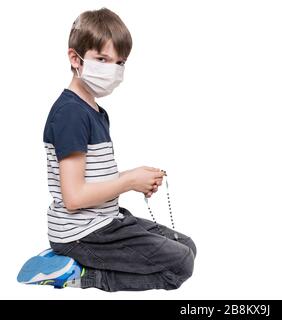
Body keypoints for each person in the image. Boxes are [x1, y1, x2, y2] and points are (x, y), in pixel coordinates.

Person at [24, 7, 196, 292]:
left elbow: (92, 179)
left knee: (186, 246)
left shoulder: (94, 111)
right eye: (102, 59)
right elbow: (74, 197)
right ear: (74, 58)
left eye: (119, 62)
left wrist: (136, 177)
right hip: (81, 233)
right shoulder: (70, 114)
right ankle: (78, 274)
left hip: (105, 219)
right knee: (180, 264)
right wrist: (128, 181)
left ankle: (76, 263)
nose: (112, 70)